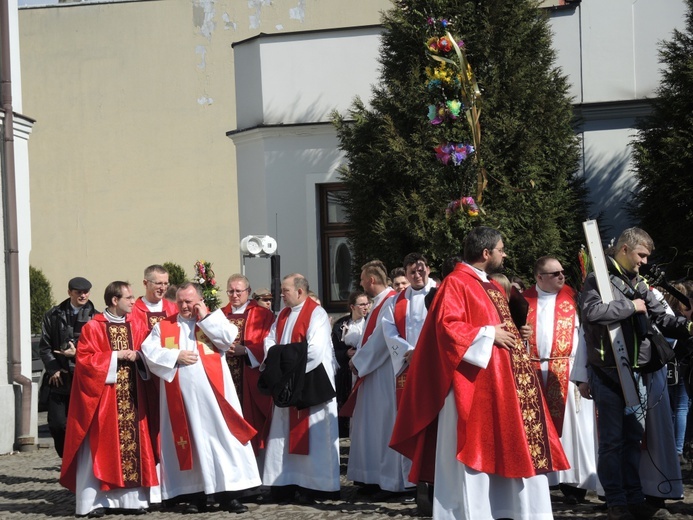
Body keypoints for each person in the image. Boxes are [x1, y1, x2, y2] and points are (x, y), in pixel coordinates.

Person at [391, 226, 568, 520]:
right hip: (471, 388)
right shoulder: (455, 283)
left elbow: (499, 327)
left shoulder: (488, 284)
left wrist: (511, 333)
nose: (505, 253)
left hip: (500, 386)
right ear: (486, 253)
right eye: (501, 249)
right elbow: (447, 327)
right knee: (474, 457)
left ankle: (508, 511)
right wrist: (488, 335)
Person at [577, 227, 693, 520]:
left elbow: (662, 317)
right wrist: (630, 306)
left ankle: (633, 496)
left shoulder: (637, 282)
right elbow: (591, 313)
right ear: (625, 249)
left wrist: (688, 326)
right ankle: (615, 501)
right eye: (641, 255)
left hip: (636, 370)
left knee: (633, 438)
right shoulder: (596, 279)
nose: (644, 261)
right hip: (608, 372)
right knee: (613, 441)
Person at [139, 283, 261, 514]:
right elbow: (149, 352)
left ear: (200, 300)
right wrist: (176, 355)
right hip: (181, 403)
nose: (185, 306)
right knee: (190, 446)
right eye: (181, 302)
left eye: (190, 301)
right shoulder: (164, 326)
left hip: (215, 400)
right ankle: (196, 496)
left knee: (223, 443)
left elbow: (228, 339)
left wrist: (205, 317)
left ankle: (229, 496)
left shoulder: (213, 320)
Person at [59, 281, 156, 518]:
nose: (134, 302)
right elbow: (85, 361)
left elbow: (151, 351)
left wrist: (139, 355)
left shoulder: (137, 324)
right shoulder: (94, 327)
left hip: (133, 399)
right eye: (129, 298)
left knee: (134, 446)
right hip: (103, 402)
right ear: (115, 300)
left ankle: (133, 501)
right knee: (101, 449)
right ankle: (94, 502)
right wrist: (115, 356)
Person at [523, 256, 599, 504]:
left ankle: (573, 483)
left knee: (573, 432)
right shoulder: (524, 301)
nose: (561, 276)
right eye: (554, 273)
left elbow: (586, 337)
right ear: (539, 277)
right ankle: (545, 480)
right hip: (533, 371)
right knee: (539, 430)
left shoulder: (575, 299)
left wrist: (583, 374)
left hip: (568, 370)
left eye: (562, 272)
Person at [260, 274, 340, 501]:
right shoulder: (283, 314)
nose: (281, 295)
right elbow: (270, 341)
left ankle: (315, 486)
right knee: (282, 435)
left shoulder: (317, 313)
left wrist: (285, 369)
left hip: (309, 385)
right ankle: (283, 483)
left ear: (300, 291)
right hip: (288, 383)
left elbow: (315, 350)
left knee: (314, 435)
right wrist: (279, 364)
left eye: (285, 291)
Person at [346, 260, 408, 494]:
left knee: (383, 426)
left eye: (362, 279)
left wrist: (359, 362)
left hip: (382, 374)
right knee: (370, 426)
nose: (360, 283)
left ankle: (388, 480)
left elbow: (383, 338)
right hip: (371, 373)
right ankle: (370, 475)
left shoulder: (391, 301)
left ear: (371, 280)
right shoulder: (380, 302)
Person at [39, 276, 97, 458]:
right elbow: (44, 346)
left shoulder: (96, 317)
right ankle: (67, 460)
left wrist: (77, 354)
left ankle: (80, 465)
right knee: (57, 425)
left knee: (85, 425)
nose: (82, 295)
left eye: (85, 292)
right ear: (69, 292)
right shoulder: (53, 315)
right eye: (78, 292)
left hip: (85, 379)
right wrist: (53, 367)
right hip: (60, 379)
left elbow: (99, 349)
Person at [221, 273, 275, 453]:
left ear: (248, 291)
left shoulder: (263, 315)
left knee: (251, 420)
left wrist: (246, 351)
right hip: (226, 376)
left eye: (238, 291)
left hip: (250, 377)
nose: (234, 295)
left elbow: (269, 343)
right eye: (230, 291)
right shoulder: (220, 315)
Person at [382, 253, 436, 401]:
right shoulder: (396, 301)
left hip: (434, 361)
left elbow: (445, 327)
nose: (417, 275)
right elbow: (389, 329)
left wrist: (419, 352)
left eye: (421, 271)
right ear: (406, 274)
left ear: (428, 270)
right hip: (408, 361)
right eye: (412, 272)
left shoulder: (441, 293)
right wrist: (408, 352)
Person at [331, 291, 371, 436]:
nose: (365, 307)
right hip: (346, 373)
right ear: (352, 307)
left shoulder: (371, 322)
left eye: (367, 303)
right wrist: (345, 354)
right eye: (361, 304)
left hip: (365, 370)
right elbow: (333, 348)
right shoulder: (341, 324)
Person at [132, 265, 177, 332]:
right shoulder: (133, 310)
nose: (163, 288)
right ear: (145, 283)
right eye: (159, 283)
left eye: (166, 283)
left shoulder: (174, 309)